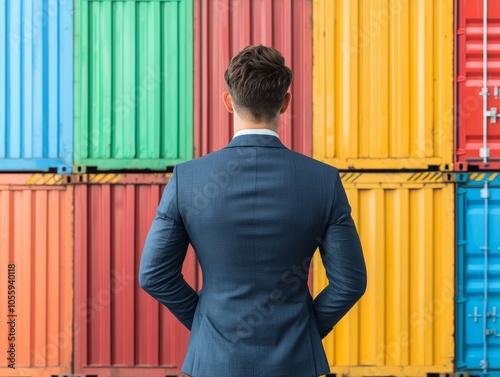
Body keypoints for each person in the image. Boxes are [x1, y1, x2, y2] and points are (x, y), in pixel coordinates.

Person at [139, 45, 367, 377]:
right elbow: (350, 282)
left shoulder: (187, 179)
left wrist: (205, 325)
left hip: (213, 361)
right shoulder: (323, 181)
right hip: (296, 361)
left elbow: (154, 275)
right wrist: (305, 332)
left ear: (228, 101)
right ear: (285, 102)